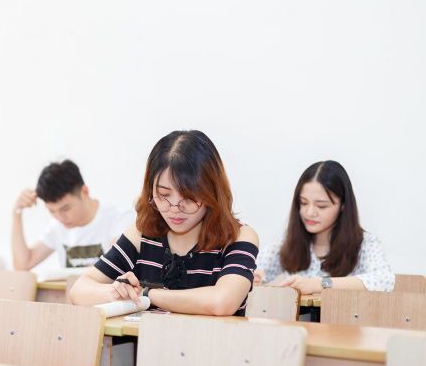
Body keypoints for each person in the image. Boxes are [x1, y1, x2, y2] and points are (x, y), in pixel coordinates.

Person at [69, 130, 259, 316]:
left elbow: (221, 303)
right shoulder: (141, 235)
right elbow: (79, 291)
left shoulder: (238, 237)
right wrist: (118, 291)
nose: (174, 208)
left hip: (212, 346)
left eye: (189, 197)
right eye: (164, 195)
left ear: (212, 192)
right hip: (148, 347)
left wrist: (147, 294)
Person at [255, 160, 394, 294]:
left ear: (343, 205)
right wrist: (254, 276)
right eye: (303, 203)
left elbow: (384, 281)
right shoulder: (288, 242)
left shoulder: (365, 244)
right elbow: (253, 267)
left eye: (321, 206)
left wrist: (319, 284)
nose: (309, 213)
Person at [12, 160, 134, 272]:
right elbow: (22, 265)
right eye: (52, 211)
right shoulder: (57, 226)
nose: (60, 217)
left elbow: (114, 264)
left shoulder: (119, 218)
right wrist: (16, 212)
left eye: (65, 208)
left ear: (84, 192)